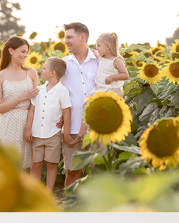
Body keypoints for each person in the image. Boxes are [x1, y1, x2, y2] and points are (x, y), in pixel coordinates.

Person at [57, 22, 99, 187]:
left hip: (100, 126)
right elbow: (56, 92)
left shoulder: (99, 61)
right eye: (65, 37)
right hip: (73, 126)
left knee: (100, 171)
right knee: (73, 171)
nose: (65, 41)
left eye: (69, 37)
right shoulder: (63, 64)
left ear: (82, 37)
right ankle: (70, 208)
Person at [23, 58, 71, 193]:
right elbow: (32, 110)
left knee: (51, 164)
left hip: (53, 134)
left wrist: (65, 133)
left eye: (44, 68)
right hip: (36, 133)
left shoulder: (63, 91)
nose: (41, 70)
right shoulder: (38, 90)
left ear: (52, 73)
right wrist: (28, 129)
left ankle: (48, 193)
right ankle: (35, 193)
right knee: (36, 164)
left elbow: (66, 113)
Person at [0, 36, 39, 169]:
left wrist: (29, 127)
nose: (26, 55)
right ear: (11, 51)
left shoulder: (31, 73)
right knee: (6, 166)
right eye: (23, 51)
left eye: (26, 52)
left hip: (27, 124)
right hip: (6, 124)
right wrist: (22, 97)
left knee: (26, 166)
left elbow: (36, 102)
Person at [95, 32, 128, 96]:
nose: (96, 48)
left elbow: (125, 75)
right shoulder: (101, 57)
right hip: (101, 90)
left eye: (99, 45)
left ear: (107, 46)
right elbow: (93, 51)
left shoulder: (116, 60)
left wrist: (112, 77)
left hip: (112, 92)